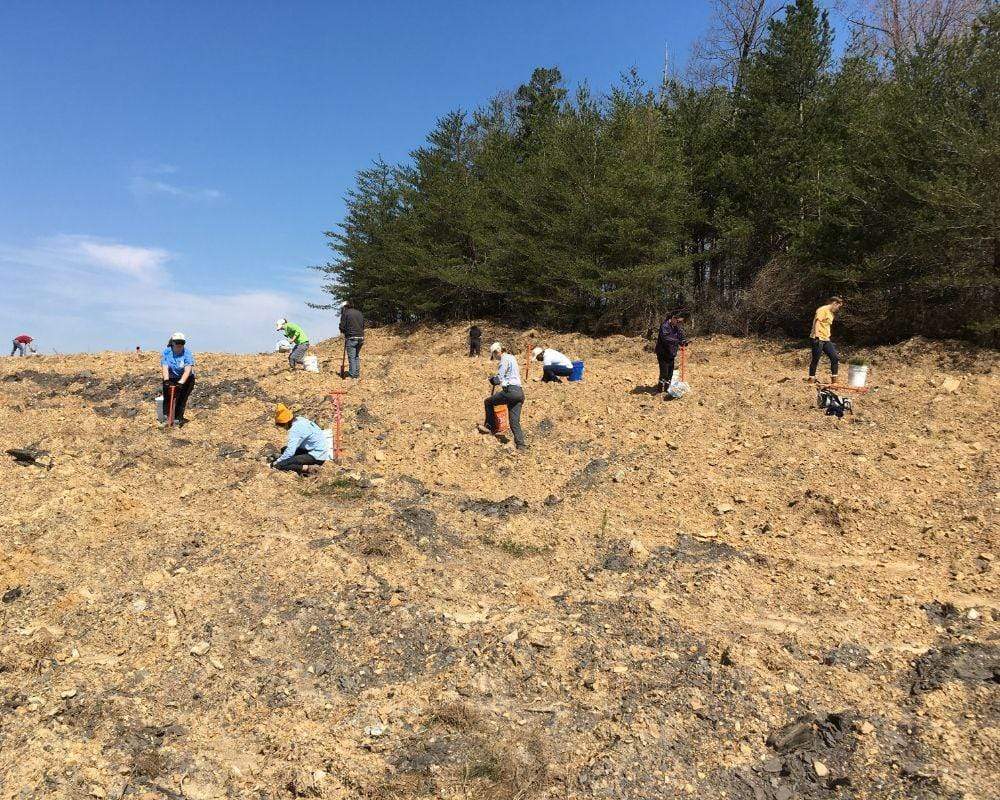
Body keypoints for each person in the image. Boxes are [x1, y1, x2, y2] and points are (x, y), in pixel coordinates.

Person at [480, 342, 527, 450]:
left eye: (494, 355)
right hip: (519, 392)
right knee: (514, 421)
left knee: (488, 402)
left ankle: (489, 427)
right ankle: (521, 445)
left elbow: (499, 379)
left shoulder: (504, 359)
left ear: (497, 352)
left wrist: (493, 379)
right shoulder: (512, 358)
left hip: (510, 391)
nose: (495, 357)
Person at [271, 403, 328, 474]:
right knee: (284, 450)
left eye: (282, 425)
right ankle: (291, 461)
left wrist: (278, 461)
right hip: (319, 451)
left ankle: (308, 468)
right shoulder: (300, 420)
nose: (283, 428)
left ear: (286, 422)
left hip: (316, 456)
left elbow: (290, 452)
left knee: (279, 465)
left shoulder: (295, 429)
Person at [160, 332, 195, 426]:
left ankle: (178, 419)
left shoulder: (187, 353)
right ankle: (166, 418)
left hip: (186, 379)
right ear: (173, 343)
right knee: (167, 397)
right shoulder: (167, 352)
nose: (179, 345)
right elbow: (165, 367)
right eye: (177, 342)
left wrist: (181, 382)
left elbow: (188, 370)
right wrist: (166, 380)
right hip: (171, 377)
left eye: (182, 343)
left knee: (181, 398)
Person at [807, 297, 844, 383]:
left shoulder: (831, 313)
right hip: (818, 338)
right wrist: (817, 336)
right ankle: (811, 378)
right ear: (834, 303)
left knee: (834, 357)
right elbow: (817, 322)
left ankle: (834, 379)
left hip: (826, 339)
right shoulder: (822, 310)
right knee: (816, 358)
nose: (838, 308)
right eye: (838, 306)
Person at [655, 310, 689, 393]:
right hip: (663, 352)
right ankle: (660, 388)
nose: (678, 323)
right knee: (664, 372)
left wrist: (683, 341)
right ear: (673, 318)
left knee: (670, 372)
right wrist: (677, 341)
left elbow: (680, 336)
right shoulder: (664, 326)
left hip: (671, 352)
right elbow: (665, 338)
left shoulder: (676, 327)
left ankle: (667, 388)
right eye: (678, 321)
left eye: (680, 322)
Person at [339, 301, 365, 379]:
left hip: (351, 337)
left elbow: (342, 326)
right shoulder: (359, 313)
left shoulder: (345, 313)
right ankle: (356, 374)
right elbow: (363, 325)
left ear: (344, 307)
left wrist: (343, 331)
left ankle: (352, 375)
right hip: (361, 337)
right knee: (356, 356)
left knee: (352, 357)